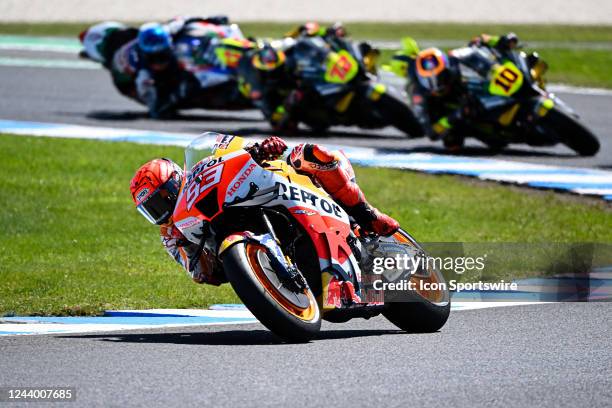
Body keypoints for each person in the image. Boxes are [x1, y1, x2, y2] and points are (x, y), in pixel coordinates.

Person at [129, 135, 399, 285]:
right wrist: (192, 250)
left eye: (159, 202)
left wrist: (262, 148)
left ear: (175, 182)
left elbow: (236, 147)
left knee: (312, 153)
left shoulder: (203, 171)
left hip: (274, 187)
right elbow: (201, 275)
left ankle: (367, 215)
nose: (160, 212)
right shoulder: (171, 233)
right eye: (151, 210)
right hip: (234, 240)